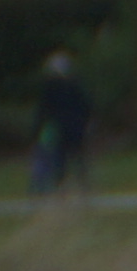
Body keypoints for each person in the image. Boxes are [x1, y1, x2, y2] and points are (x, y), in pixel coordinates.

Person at [28, 51, 92, 198]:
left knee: (60, 159)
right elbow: (86, 106)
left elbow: (43, 110)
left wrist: (37, 129)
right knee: (77, 157)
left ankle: (62, 187)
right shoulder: (75, 85)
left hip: (58, 128)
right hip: (74, 127)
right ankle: (82, 187)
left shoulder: (50, 87)